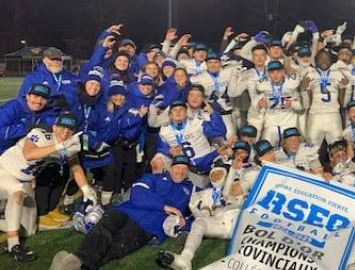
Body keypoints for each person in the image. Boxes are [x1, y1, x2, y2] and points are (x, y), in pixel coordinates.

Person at [49, 154, 194, 270]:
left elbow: (195, 215)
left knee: (118, 246)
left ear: (188, 172)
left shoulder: (190, 191)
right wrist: (165, 207)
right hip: (126, 210)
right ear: (170, 168)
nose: (180, 171)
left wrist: (184, 225)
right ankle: (75, 261)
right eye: (177, 167)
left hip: (148, 225)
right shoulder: (153, 178)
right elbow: (138, 195)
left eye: (184, 168)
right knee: (103, 230)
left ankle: (71, 263)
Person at [0, 113, 96, 261]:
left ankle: (6, 219)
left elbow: (76, 167)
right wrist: (57, 146)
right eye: (61, 128)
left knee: (29, 230)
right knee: (16, 193)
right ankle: (14, 246)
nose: (65, 133)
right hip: (4, 170)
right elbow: (28, 154)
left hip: (24, 180)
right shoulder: (41, 135)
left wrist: (86, 190)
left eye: (69, 130)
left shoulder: (70, 145)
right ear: (54, 127)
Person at [157, 160, 239, 270]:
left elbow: (230, 192)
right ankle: (185, 259)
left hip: (240, 223)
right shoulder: (207, 193)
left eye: (220, 174)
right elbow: (204, 215)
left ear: (226, 175)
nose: (216, 177)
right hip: (221, 224)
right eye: (213, 174)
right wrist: (194, 209)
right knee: (199, 223)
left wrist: (233, 170)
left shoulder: (236, 187)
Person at [0, 83, 54, 154]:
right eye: (35, 96)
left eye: (43, 98)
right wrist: (28, 128)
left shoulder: (44, 112)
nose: (39, 101)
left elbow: (53, 125)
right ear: (27, 96)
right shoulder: (11, 108)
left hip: (19, 151)